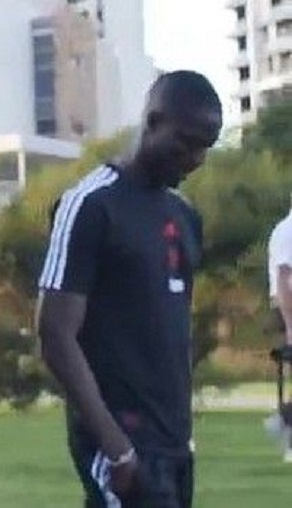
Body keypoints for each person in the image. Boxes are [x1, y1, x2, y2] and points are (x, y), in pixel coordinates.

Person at [36, 70, 222, 508]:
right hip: (122, 442)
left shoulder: (184, 215)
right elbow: (55, 334)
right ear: (153, 122)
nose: (195, 158)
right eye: (187, 142)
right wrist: (115, 446)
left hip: (173, 441)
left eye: (206, 147)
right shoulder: (91, 203)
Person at [265, 197, 292, 463]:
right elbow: (284, 277)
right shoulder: (288, 230)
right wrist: (290, 323)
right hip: (287, 306)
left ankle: (285, 419)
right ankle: (285, 419)